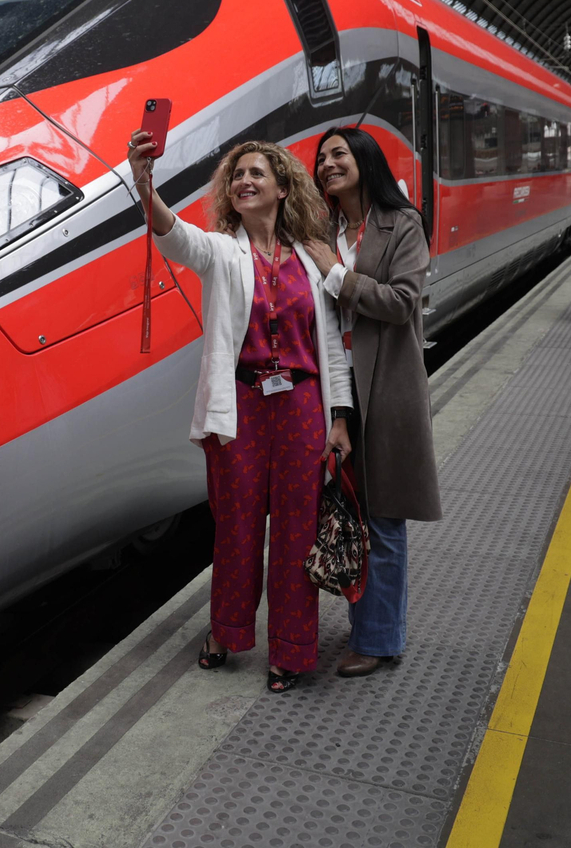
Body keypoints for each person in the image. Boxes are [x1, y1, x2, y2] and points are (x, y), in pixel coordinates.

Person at [127, 135, 353, 694]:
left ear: (281, 188)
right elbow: (173, 236)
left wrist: (341, 418)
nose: (245, 182)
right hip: (242, 408)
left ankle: (292, 650)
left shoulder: (311, 256)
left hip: (302, 405)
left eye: (257, 174)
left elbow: (332, 344)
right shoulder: (221, 250)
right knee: (236, 526)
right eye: (237, 176)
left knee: (298, 533)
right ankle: (226, 632)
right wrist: (143, 180)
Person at [304, 127, 442, 678]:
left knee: (381, 519)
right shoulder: (324, 228)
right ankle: (367, 628)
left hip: (384, 390)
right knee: (351, 515)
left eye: (339, 154)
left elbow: (402, 302)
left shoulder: (401, 223)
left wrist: (336, 274)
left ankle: (380, 639)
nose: (328, 163)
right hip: (336, 390)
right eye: (322, 158)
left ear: (365, 160)